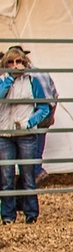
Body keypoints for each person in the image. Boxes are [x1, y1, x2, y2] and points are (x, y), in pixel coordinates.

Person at [0, 47, 50, 224]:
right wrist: (9, 80)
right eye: (11, 62)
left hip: (26, 134)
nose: (15, 65)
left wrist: (30, 122)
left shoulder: (32, 81)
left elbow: (44, 107)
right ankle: (7, 216)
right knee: (6, 177)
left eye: (19, 61)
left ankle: (31, 214)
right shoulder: (2, 81)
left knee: (28, 175)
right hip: (4, 134)